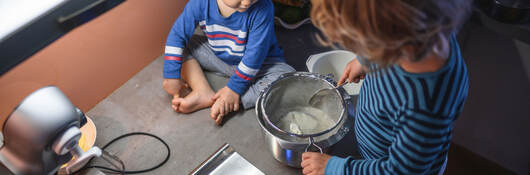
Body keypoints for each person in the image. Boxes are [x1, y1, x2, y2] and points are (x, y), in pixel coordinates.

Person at [301, 0, 471, 174]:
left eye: (365, 45)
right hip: (371, 155)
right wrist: (366, 60)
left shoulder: (426, 106)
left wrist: (335, 168)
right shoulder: (423, 34)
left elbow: (400, 171)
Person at [162, 0, 295, 125]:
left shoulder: (263, 7)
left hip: (261, 64)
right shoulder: (200, 3)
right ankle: (202, 90)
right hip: (220, 58)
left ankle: (228, 101)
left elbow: (254, 56)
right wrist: (171, 76)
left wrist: (233, 90)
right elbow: (177, 35)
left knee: (288, 79)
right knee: (181, 47)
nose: (247, 2)